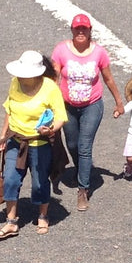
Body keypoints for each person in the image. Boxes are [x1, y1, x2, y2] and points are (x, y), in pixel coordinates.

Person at [51, 13, 123, 212]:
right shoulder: (61, 50)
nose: (81, 31)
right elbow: (54, 79)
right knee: (72, 144)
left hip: (92, 105)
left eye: (84, 28)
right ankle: (81, 167)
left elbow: (108, 78)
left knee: (84, 146)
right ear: (72, 30)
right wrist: (49, 104)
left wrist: (119, 102)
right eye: (77, 28)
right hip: (67, 106)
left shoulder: (99, 52)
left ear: (90, 30)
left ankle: (83, 189)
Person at [0, 50, 68, 239]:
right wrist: (3, 136)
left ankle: (43, 215)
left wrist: (50, 130)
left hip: (39, 143)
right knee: (10, 179)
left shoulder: (50, 88)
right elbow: (9, 109)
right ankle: (11, 222)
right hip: (16, 139)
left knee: (39, 181)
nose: (20, 76)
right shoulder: (14, 83)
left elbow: (60, 117)